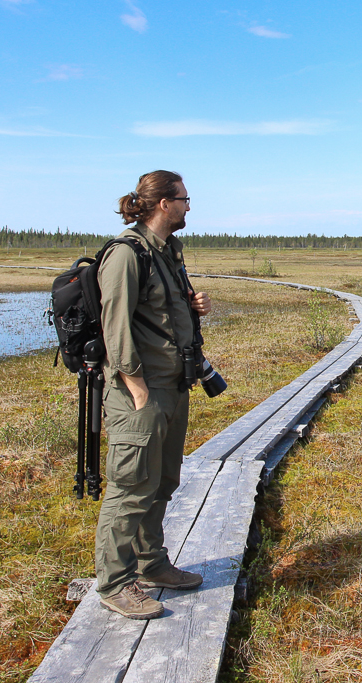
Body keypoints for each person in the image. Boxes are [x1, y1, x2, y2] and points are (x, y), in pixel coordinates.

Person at [94, 170, 212, 619]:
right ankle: (116, 583)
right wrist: (136, 388)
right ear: (163, 203)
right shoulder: (126, 254)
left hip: (173, 386)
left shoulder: (167, 252)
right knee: (130, 489)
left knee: (161, 482)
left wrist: (192, 304)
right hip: (139, 394)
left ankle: (152, 565)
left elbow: (160, 313)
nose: (188, 206)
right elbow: (115, 326)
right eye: (183, 199)